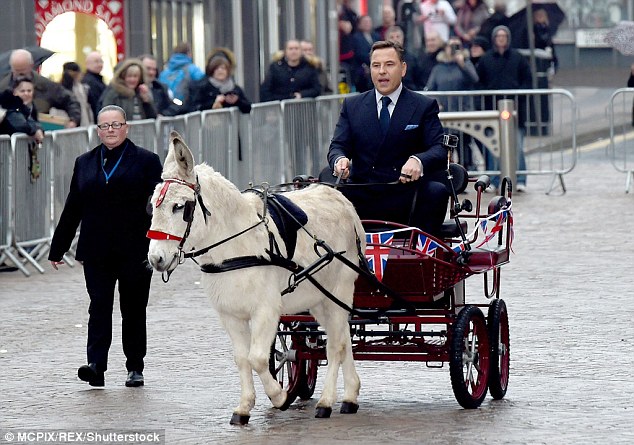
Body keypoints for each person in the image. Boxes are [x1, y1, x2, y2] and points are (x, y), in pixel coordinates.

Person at [48, 105, 163, 388]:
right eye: (104, 126)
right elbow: (73, 205)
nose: (110, 131)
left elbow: (161, 204)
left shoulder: (147, 160)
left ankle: (135, 366)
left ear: (126, 127)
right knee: (98, 306)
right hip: (96, 248)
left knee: (133, 308)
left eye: (116, 125)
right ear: (97, 130)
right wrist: (58, 246)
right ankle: (96, 365)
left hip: (135, 248)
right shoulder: (85, 162)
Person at [328, 40, 449, 236]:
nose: (382, 71)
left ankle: (420, 256)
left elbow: (439, 149)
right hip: (363, 192)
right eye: (376, 65)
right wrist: (339, 159)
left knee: (436, 192)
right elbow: (338, 146)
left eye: (389, 64)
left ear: (403, 69)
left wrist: (418, 160)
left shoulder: (423, 105)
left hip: (406, 193)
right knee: (326, 196)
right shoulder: (352, 105)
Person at [476, 25, 532, 191]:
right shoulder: (486, 60)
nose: (501, 39)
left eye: (504, 36)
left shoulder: (518, 58)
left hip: (515, 110)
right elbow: (480, 83)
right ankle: (493, 180)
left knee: (518, 147)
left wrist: (517, 95)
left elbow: (527, 81)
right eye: (498, 36)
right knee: (493, 148)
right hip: (492, 110)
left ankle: (520, 179)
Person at [0, 49, 81, 128]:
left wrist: (73, 120)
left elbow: (69, 100)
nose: (20, 74)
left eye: (23, 70)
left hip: (42, 132)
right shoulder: (3, 87)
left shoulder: (46, 85)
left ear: (31, 65)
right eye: (17, 70)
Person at [187, 50, 251, 114]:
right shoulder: (203, 87)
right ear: (212, 70)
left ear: (228, 71)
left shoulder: (234, 88)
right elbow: (194, 108)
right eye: (216, 68)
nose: (220, 71)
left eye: (223, 68)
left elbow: (248, 108)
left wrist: (237, 101)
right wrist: (213, 104)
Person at [158, 42, 205, 108]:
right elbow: (204, 84)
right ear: (189, 53)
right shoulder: (193, 69)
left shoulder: (164, 73)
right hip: (185, 107)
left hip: (167, 108)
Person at [0, 77, 43, 142]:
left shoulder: (31, 108)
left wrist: (38, 129)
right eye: (22, 91)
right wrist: (34, 130)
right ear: (14, 92)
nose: (26, 94)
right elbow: (20, 124)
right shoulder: (9, 104)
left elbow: (34, 122)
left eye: (29, 91)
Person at [386, 25, 425, 91]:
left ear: (403, 38)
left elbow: (419, 81)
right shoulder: (381, 59)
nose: (395, 39)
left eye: (398, 37)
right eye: (392, 37)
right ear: (386, 40)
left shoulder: (412, 59)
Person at [352, 15, 381, 92]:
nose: (367, 24)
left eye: (369, 22)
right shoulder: (356, 37)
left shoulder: (376, 36)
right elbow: (359, 54)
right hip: (363, 70)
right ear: (359, 24)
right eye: (365, 22)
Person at [61, 62, 94, 126]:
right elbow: (86, 110)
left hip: (67, 125)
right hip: (81, 125)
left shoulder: (58, 89)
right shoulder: (81, 89)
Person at [82, 51, 107, 120]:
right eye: (96, 62)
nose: (100, 64)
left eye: (101, 61)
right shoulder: (89, 81)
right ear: (88, 64)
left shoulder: (98, 80)